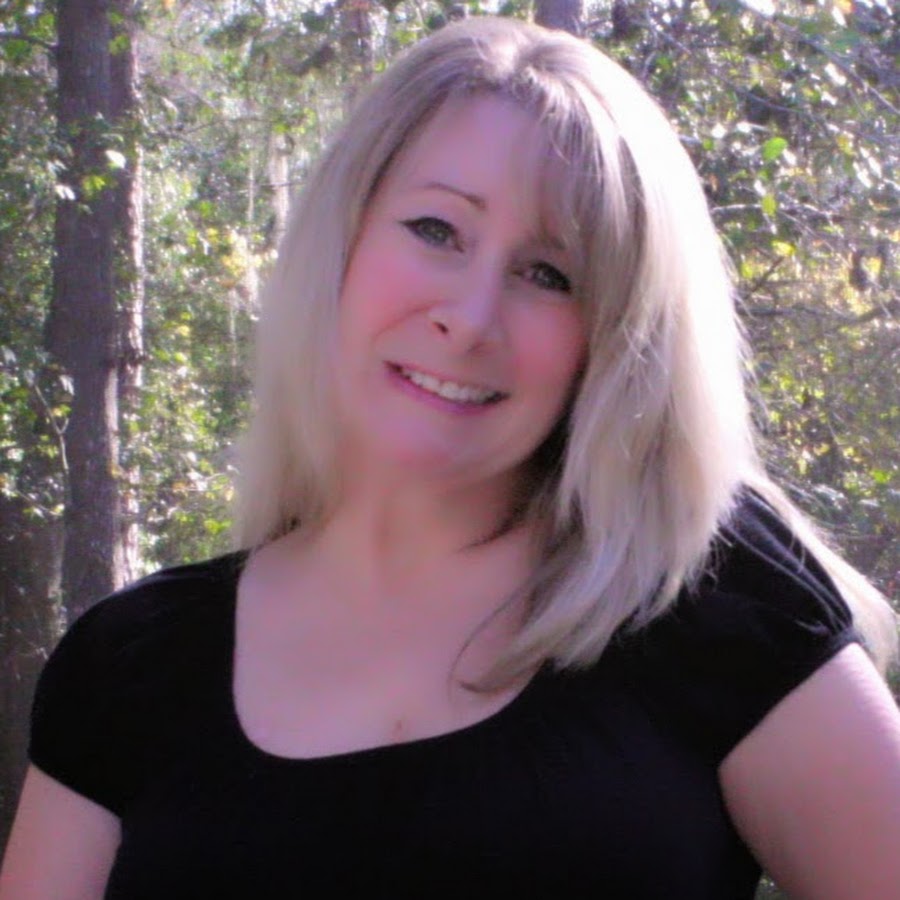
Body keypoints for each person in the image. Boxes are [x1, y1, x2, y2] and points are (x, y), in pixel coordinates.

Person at [2, 15, 899, 900]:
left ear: (619, 339)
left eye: (550, 275)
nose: (470, 320)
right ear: (343, 239)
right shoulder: (129, 666)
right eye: (436, 230)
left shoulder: (705, 593)